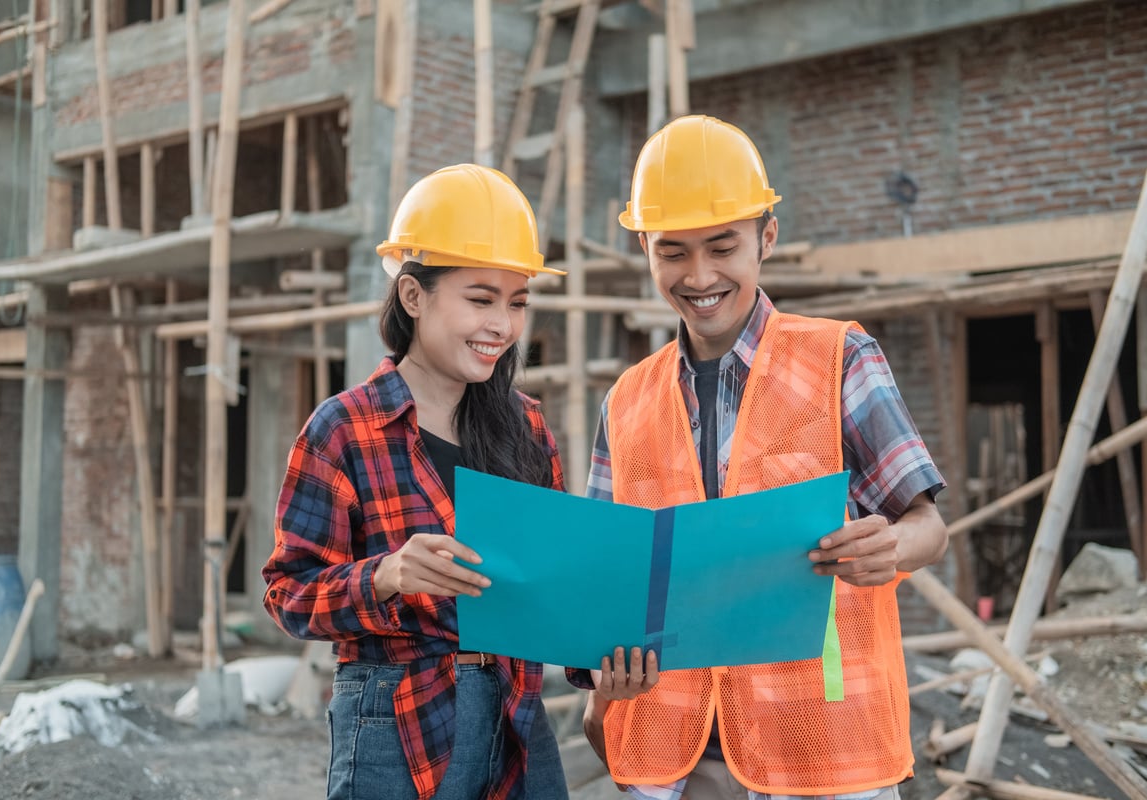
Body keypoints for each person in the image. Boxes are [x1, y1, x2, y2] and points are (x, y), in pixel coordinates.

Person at [570, 115, 949, 800]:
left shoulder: (839, 359)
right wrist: (599, 674)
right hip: (677, 757)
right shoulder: (626, 401)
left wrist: (888, 546)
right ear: (646, 250)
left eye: (722, 246)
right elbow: (608, 583)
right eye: (673, 252)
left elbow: (929, 526)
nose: (700, 275)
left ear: (765, 238)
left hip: (823, 748)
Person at [263, 163, 570, 800]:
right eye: (480, 299)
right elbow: (287, 594)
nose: (502, 327)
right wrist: (384, 575)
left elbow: (556, 587)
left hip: (517, 714)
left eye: (516, 303)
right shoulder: (344, 429)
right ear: (413, 295)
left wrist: (604, 653)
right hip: (396, 719)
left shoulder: (528, 428)